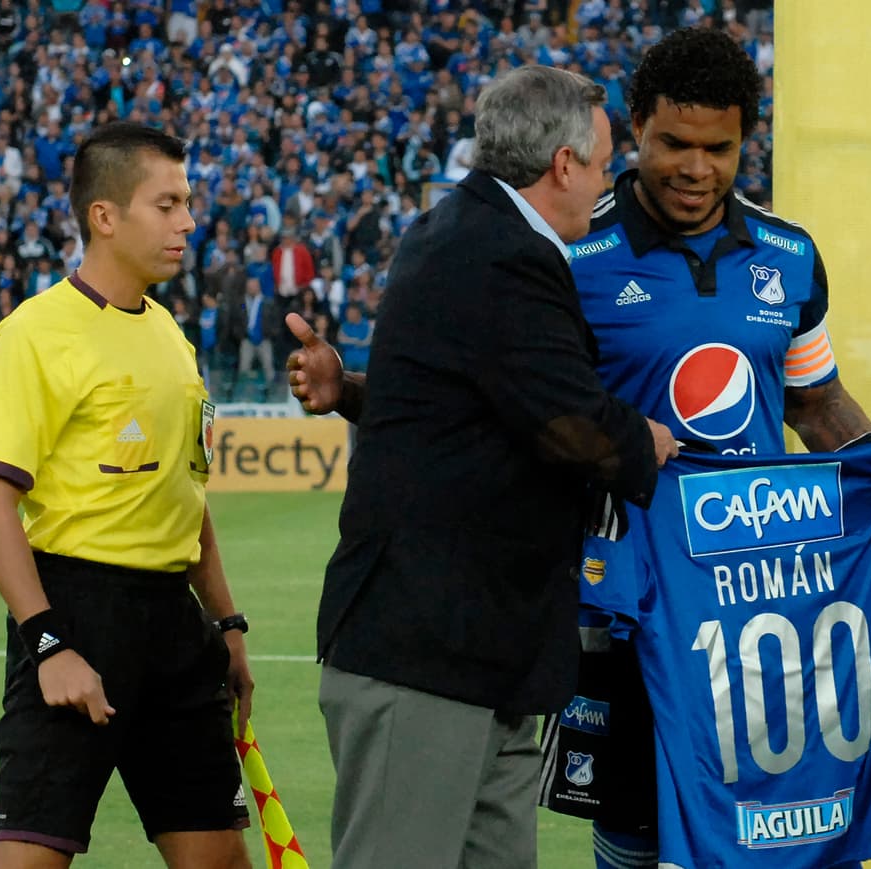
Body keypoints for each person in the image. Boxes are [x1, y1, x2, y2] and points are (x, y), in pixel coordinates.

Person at [536, 27, 871, 869]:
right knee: (639, 842)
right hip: (639, 605)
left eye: (718, 148)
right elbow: (533, 410)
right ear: (635, 127)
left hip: (759, 602)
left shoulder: (788, 257)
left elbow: (816, 402)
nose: (695, 168)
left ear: (744, 142)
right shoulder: (576, 255)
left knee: (785, 827)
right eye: (672, 144)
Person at [284, 65, 677, 869]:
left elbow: (453, 406)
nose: (610, 184)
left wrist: (348, 388)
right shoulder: (502, 254)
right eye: (604, 165)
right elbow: (570, 425)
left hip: (484, 655)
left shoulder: (461, 231)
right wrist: (645, 441)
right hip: (427, 651)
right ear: (564, 165)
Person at [0, 122, 254, 869]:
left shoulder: (171, 336)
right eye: (167, 204)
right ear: (105, 216)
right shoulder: (34, 334)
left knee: (220, 857)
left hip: (176, 625)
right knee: (30, 858)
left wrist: (226, 623)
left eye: (187, 202)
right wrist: (49, 642)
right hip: (76, 612)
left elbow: (186, 494)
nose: (188, 221)